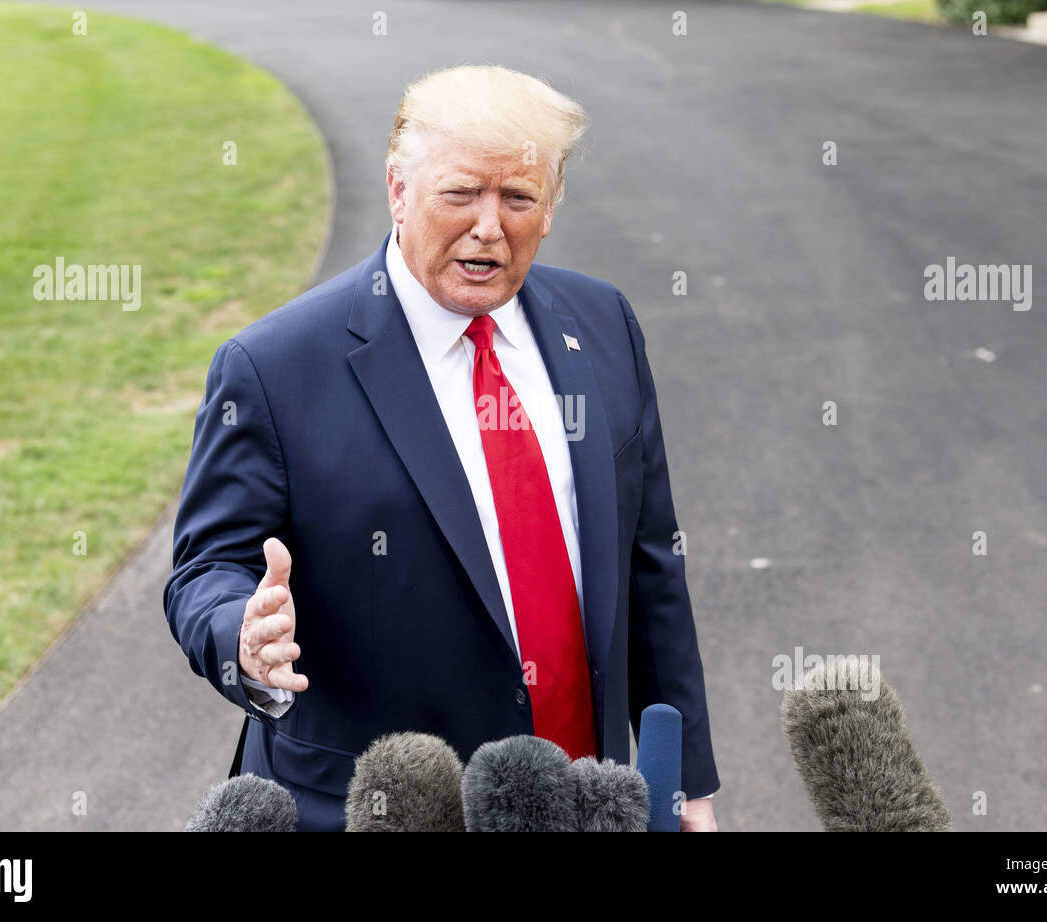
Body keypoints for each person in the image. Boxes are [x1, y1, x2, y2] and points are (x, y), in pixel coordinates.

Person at [164, 64, 719, 831]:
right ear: (398, 189)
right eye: (460, 193)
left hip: (580, 802)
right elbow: (205, 569)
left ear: (551, 206)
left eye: (518, 197)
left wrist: (685, 783)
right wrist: (243, 636)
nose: (489, 225)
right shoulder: (273, 367)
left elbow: (651, 564)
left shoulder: (603, 326)